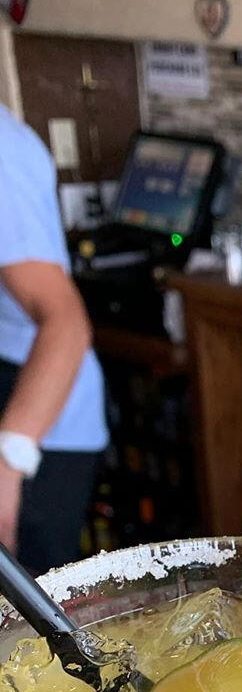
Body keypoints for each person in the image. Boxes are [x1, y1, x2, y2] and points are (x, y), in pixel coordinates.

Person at [0, 102, 108, 573]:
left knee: (26, 609)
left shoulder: (3, 152)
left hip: (38, 415)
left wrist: (8, 463)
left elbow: (65, 323)